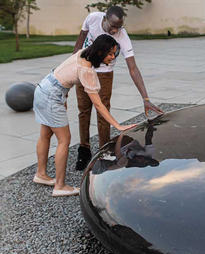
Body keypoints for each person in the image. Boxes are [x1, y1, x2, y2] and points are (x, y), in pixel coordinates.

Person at [33, 34, 136, 197]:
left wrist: (63, 97)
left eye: (114, 53)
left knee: (45, 135)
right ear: (101, 52)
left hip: (43, 88)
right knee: (64, 140)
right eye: (110, 54)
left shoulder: (83, 52)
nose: (113, 57)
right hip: (52, 97)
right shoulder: (87, 70)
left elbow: (63, 74)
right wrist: (118, 125)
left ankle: (41, 174)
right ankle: (59, 186)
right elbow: (98, 104)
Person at [72, 5, 163, 171]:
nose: (115, 30)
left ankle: (104, 151)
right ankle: (84, 150)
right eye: (112, 26)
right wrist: (74, 63)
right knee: (83, 110)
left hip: (104, 73)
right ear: (105, 19)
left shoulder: (122, 35)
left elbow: (133, 69)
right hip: (84, 69)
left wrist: (146, 98)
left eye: (119, 27)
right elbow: (80, 40)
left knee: (103, 112)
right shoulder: (92, 18)